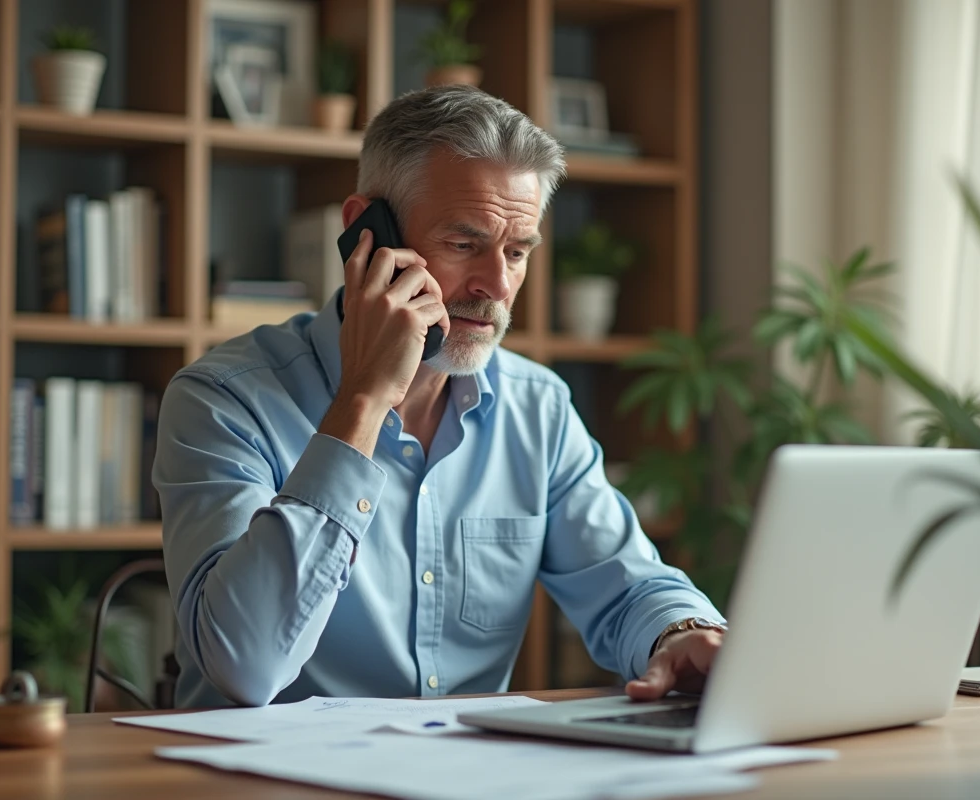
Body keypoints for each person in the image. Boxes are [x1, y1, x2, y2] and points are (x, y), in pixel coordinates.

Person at [155, 85, 726, 709]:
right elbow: (244, 665)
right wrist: (364, 401)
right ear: (365, 233)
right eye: (464, 244)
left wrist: (681, 634)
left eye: (517, 252)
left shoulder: (536, 408)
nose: (498, 285)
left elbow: (625, 586)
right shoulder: (222, 400)